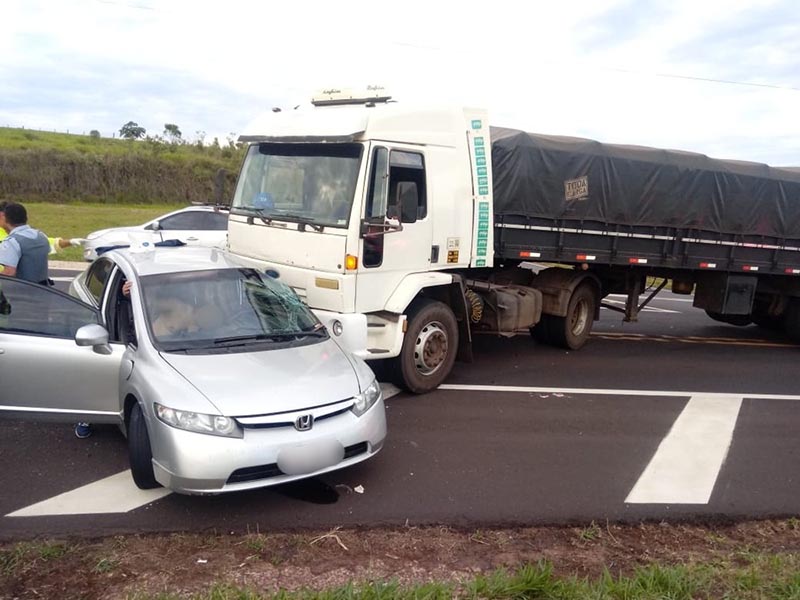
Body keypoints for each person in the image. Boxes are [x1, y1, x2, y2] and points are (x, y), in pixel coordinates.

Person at [0, 201, 51, 284]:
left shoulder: (12, 242)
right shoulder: (41, 236)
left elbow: (9, 273)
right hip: (43, 291)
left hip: (21, 292)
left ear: (4, 217)